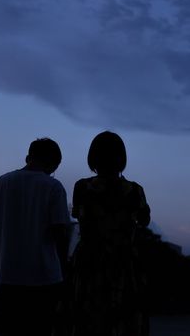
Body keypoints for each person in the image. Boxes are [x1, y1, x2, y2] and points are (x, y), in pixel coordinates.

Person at [0, 137, 71, 336]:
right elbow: (60, 233)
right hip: (45, 277)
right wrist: (66, 271)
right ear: (53, 163)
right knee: (40, 329)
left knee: (9, 329)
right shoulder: (53, 187)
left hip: (9, 276)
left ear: (28, 157)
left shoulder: (3, 182)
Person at [67, 131, 151, 336]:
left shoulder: (82, 187)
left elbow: (78, 215)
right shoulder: (135, 191)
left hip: (89, 263)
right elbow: (144, 221)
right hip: (123, 264)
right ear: (121, 159)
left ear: (93, 158)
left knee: (87, 321)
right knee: (123, 320)